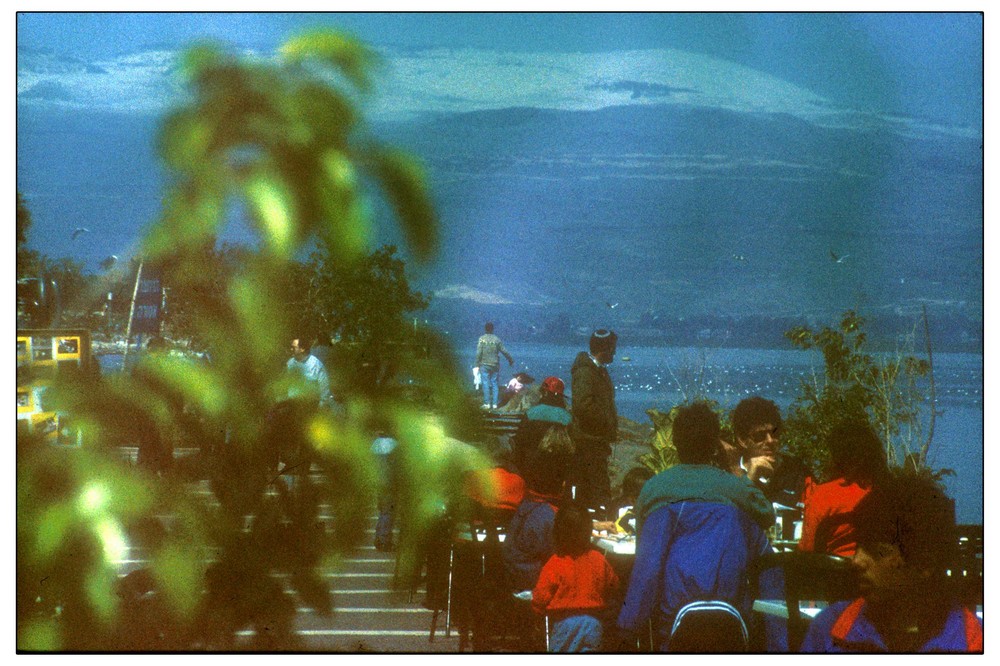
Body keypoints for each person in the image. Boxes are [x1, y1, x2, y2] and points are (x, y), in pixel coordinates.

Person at [617, 402, 773, 650]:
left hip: (674, 618)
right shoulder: (734, 487)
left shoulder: (655, 489)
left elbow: (646, 567)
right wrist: (736, 471)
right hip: (732, 614)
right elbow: (766, 515)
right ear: (715, 444)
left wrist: (627, 628)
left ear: (675, 443)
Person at [801, 475, 982, 653]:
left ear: (925, 563)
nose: (856, 561)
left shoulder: (971, 641)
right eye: (859, 546)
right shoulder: (831, 629)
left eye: (878, 551)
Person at [531, 502, 620, 652]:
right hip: (594, 623)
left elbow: (541, 596)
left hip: (564, 624)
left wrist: (536, 611)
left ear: (558, 532)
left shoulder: (555, 563)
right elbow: (614, 585)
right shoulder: (598, 559)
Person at [798, 420, 889, 557]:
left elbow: (807, 551)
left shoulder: (823, 495)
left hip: (835, 574)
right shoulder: (888, 492)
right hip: (878, 573)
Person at [724, 396, 812, 507]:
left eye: (775, 433)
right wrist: (749, 480)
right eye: (760, 436)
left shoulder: (798, 472)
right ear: (742, 440)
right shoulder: (729, 476)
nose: (770, 441)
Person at [569, 329, 619, 515]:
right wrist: (606, 421)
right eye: (613, 348)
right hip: (589, 441)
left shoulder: (597, 371)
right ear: (604, 349)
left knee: (592, 488)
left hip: (595, 440)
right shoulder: (585, 372)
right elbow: (582, 405)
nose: (615, 353)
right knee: (595, 489)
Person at [512, 376, 573, 482]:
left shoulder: (531, 413)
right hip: (558, 472)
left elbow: (520, 442)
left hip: (531, 468)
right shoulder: (567, 418)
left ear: (544, 393)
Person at [371, 426, 400, 552]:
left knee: (383, 510)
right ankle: (384, 540)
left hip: (378, 482)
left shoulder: (375, 445)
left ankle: (379, 538)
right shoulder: (394, 445)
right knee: (388, 512)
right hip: (389, 483)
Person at [475, 322, 514, 409]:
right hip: (495, 365)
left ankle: (487, 404)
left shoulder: (482, 339)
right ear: (492, 329)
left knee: (485, 383)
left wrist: (477, 364)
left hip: (484, 364)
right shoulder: (497, 339)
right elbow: (504, 351)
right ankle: (495, 404)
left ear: (485, 329)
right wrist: (510, 359)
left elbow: (478, 353)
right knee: (495, 383)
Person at [287, 334, 333, 408]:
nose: (291, 349)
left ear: (302, 349)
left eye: (293, 347)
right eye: (291, 347)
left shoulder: (316, 364)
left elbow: (324, 386)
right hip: (293, 405)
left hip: (311, 405)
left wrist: (321, 405)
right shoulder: (290, 363)